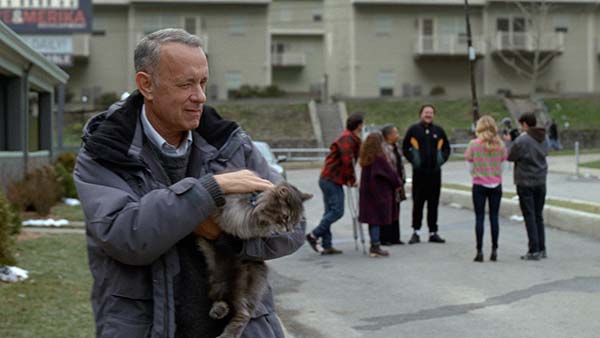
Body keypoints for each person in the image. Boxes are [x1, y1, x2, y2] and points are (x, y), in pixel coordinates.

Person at [73, 28, 304, 338]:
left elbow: (294, 229)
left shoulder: (232, 144)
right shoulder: (104, 153)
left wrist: (227, 238)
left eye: (203, 82)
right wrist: (208, 191)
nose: (200, 96)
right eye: (185, 84)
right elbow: (125, 237)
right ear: (146, 85)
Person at [306, 114, 363, 255]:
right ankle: (314, 235)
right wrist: (351, 180)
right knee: (337, 211)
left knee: (329, 212)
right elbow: (347, 161)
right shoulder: (347, 139)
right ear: (359, 125)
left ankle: (327, 245)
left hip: (328, 179)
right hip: (331, 180)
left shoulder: (349, 137)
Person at [402, 104, 451, 244]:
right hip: (419, 173)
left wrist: (441, 160)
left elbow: (446, 148)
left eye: (431, 112)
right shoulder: (413, 130)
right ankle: (416, 232)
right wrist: (414, 160)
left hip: (435, 173)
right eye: (426, 112)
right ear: (420, 114)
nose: (428, 115)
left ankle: (433, 232)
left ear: (433, 115)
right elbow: (405, 147)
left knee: (433, 203)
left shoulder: (439, 131)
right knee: (418, 203)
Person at [505, 113, 549, 261]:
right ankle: (542, 248)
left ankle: (533, 249)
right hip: (541, 180)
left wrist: (510, 142)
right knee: (538, 215)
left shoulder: (522, 140)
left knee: (529, 215)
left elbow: (511, 156)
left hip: (525, 181)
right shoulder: (544, 137)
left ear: (524, 124)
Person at [465, 116, 508, 262]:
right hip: (496, 184)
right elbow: (504, 167)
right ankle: (494, 249)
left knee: (479, 218)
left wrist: (477, 174)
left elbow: (469, 166)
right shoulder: (500, 145)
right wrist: (494, 174)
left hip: (479, 184)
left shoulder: (473, 144)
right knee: (494, 217)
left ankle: (479, 251)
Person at [358, 132, 403, 257]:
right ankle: (375, 246)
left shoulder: (366, 158)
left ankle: (374, 244)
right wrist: (398, 183)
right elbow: (390, 174)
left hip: (368, 194)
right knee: (377, 219)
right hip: (379, 193)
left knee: (372, 220)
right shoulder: (379, 159)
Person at [380, 124, 406, 245]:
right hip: (388, 184)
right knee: (387, 210)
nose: (398, 135)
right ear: (388, 135)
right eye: (395, 133)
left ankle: (395, 237)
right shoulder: (383, 149)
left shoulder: (396, 147)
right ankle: (385, 238)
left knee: (396, 209)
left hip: (398, 183)